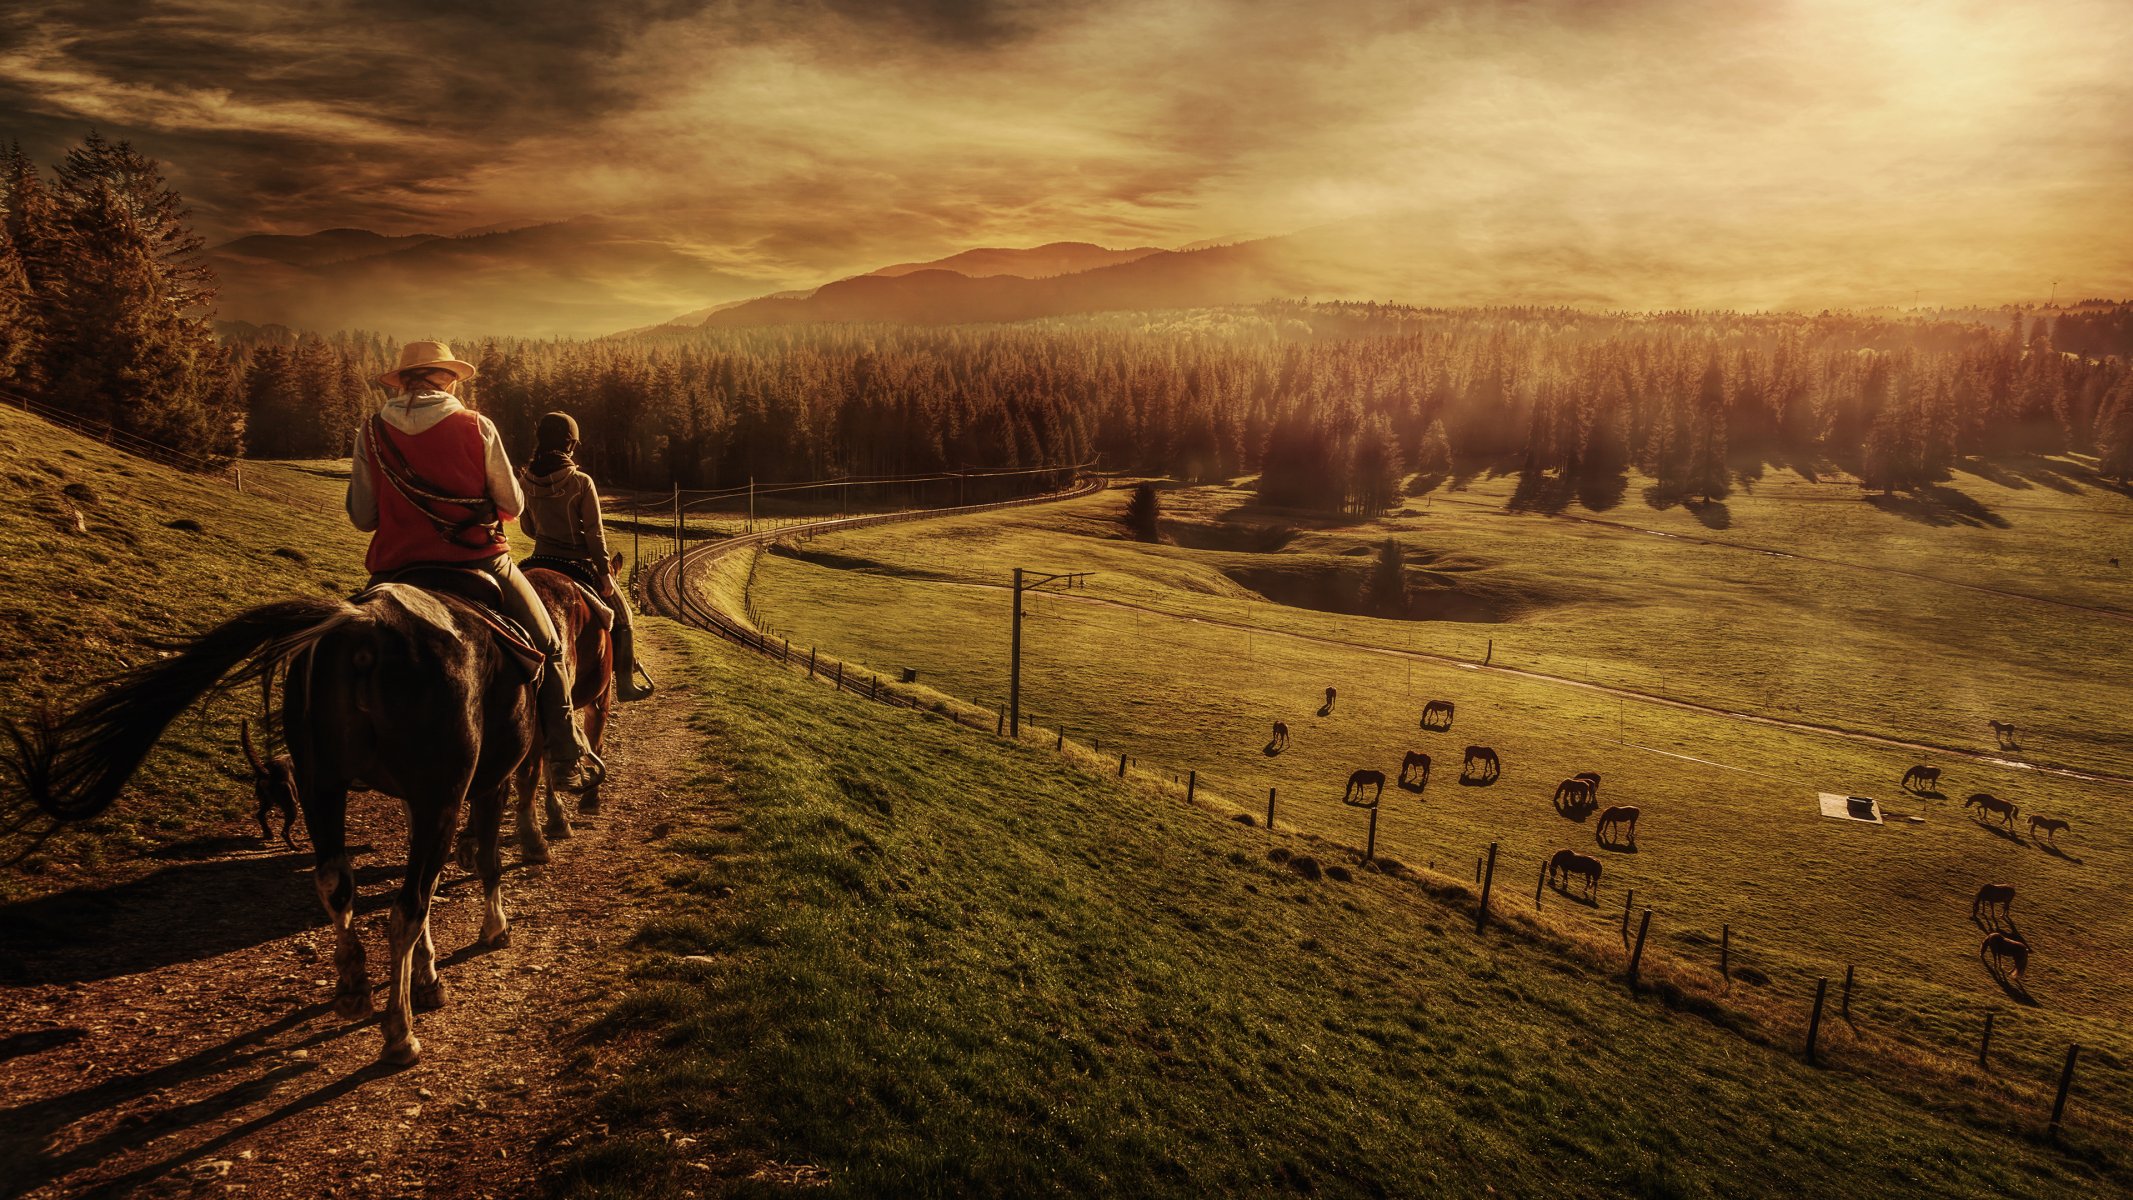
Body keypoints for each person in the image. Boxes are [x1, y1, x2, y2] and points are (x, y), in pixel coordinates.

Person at [345, 341, 604, 791]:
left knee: (348, 648)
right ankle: (564, 748)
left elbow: (363, 516)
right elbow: (512, 504)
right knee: (548, 643)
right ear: (446, 378)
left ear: (404, 379)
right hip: (480, 560)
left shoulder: (370, 432)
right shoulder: (476, 426)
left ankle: (352, 750)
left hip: (395, 567)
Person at [517, 411, 653, 700]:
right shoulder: (581, 481)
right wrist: (604, 573)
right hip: (579, 562)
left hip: (538, 558)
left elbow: (527, 527)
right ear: (570, 445)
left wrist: (547, 537)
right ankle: (626, 683)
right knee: (624, 614)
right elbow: (594, 533)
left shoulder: (525, 481)